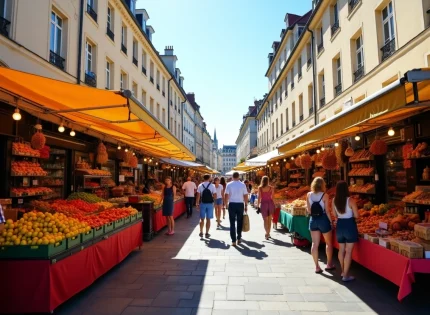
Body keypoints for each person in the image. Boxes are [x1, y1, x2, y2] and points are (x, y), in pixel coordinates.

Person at [306, 177, 335, 273]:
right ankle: (329, 264)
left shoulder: (308, 195)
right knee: (328, 243)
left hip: (313, 219)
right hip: (323, 219)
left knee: (314, 244)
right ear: (323, 185)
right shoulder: (325, 195)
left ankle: (317, 267)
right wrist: (331, 222)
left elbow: (308, 210)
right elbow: (327, 211)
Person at [333, 181, 359, 282]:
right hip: (349, 225)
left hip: (340, 225)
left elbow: (335, 214)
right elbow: (357, 215)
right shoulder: (351, 200)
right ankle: (345, 275)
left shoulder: (334, 200)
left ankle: (343, 271)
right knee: (348, 251)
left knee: (341, 249)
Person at [225, 172, 249, 246]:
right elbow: (245, 195)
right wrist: (246, 205)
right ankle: (239, 238)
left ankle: (233, 241)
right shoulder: (242, 184)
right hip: (240, 204)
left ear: (232, 176)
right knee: (239, 221)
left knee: (232, 222)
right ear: (238, 177)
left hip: (232, 204)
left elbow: (226, 195)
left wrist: (226, 204)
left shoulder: (229, 184)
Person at [257, 176, 275, 240]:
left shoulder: (260, 188)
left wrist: (258, 205)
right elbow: (272, 197)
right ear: (268, 181)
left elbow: (259, 197)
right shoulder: (271, 188)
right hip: (270, 203)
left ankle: (267, 233)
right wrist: (274, 204)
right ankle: (268, 233)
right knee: (270, 219)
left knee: (265, 219)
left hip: (263, 204)